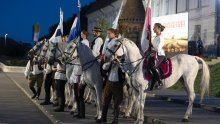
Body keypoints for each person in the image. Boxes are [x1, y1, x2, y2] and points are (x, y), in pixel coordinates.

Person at [97, 28, 125, 124]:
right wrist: (110, 62)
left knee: (116, 103)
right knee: (105, 101)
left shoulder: (123, 59)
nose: (108, 35)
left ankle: (115, 120)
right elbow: (104, 67)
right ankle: (103, 118)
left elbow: (125, 70)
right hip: (109, 81)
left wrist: (119, 63)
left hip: (118, 83)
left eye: (109, 33)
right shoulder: (111, 58)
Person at [70, 31, 90, 118]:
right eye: (81, 34)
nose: (81, 35)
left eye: (82, 34)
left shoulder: (85, 42)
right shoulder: (81, 43)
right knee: (76, 95)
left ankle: (82, 114)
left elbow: (84, 53)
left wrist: (77, 55)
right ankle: (79, 112)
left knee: (80, 95)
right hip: (76, 71)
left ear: (85, 35)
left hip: (80, 73)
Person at [146, 23, 166, 91]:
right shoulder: (156, 37)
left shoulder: (161, 37)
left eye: (155, 28)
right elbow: (153, 46)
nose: (153, 29)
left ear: (159, 28)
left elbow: (158, 48)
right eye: (153, 28)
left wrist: (152, 50)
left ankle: (160, 81)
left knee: (153, 66)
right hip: (154, 54)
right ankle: (152, 83)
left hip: (160, 54)